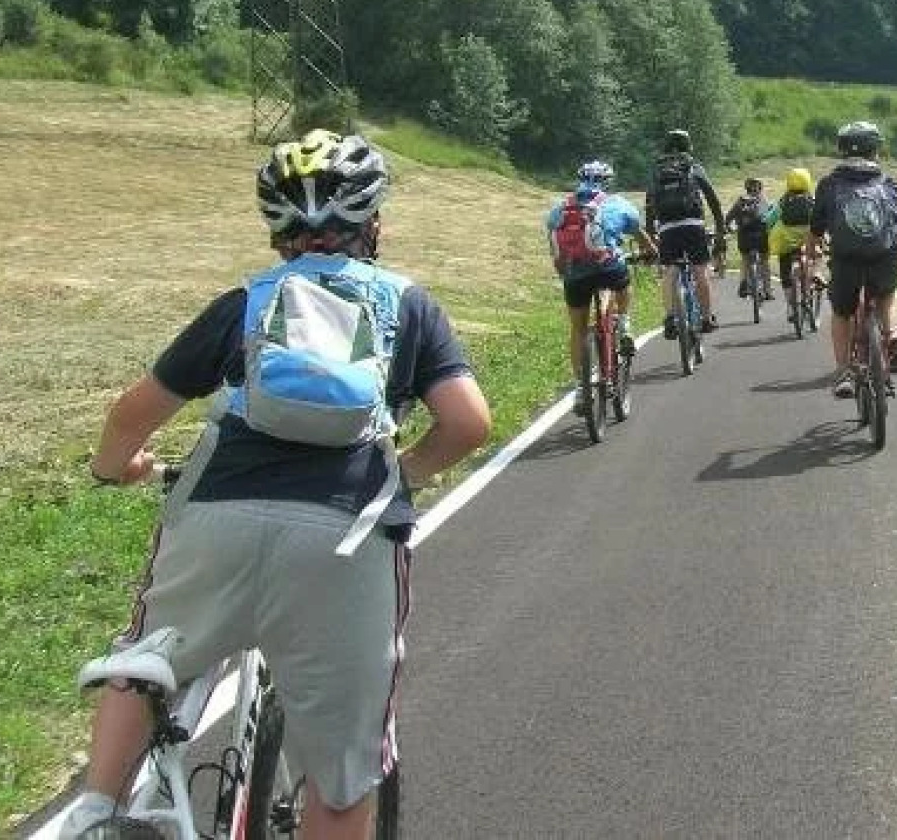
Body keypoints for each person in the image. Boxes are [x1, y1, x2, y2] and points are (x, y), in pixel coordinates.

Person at [59, 129, 491, 840]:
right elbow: (468, 423)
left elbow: (129, 416)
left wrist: (116, 469)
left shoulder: (245, 303)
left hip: (215, 519)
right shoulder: (409, 305)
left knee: (145, 655)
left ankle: (96, 811)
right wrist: (401, 473)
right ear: (372, 221)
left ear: (276, 229)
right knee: (342, 780)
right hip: (345, 539)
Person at [808, 121, 897, 399]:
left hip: (846, 259)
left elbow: (816, 230)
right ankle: (892, 334)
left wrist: (813, 260)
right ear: (874, 149)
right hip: (882, 256)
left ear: (842, 150)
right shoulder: (887, 182)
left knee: (842, 313)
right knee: (888, 292)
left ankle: (843, 371)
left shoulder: (829, 184)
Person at [548, 160, 654, 411]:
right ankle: (625, 323)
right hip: (607, 268)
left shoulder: (561, 208)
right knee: (622, 281)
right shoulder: (617, 204)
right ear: (608, 182)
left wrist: (565, 271)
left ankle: (581, 389)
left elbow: (554, 243)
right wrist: (651, 251)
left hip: (575, 274)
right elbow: (638, 233)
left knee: (578, 329)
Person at [644, 128, 726, 335]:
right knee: (700, 270)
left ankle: (670, 316)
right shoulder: (693, 166)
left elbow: (650, 203)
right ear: (688, 145)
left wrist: (651, 233)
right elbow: (712, 199)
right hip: (693, 225)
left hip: (667, 229)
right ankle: (707, 318)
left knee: (670, 271)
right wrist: (720, 230)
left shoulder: (657, 169)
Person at [764, 167, 818, 314]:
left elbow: (769, 220)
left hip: (786, 242)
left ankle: (790, 307)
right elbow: (820, 219)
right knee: (813, 256)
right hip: (807, 239)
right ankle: (812, 280)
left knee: (785, 270)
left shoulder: (784, 201)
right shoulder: (812, 200)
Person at [724, 176, 775, 302]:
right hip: (761, 237)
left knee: (745, 259)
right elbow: (771, 219)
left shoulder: (740, 202)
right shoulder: (764, 201)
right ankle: (768, 290)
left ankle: (743, 282)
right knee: (764, 261)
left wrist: (730, 228)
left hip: (744, 237)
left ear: (746, 188)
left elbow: (728, 218)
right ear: (760, 188)